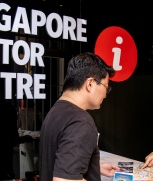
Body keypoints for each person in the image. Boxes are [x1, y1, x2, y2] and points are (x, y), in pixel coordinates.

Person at [39, 52, 120, 181]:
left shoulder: (56, 111)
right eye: (106, 87)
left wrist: (93, 167)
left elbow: (60, 162)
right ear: (90, 84)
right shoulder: (81, 122)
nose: (106, 94)